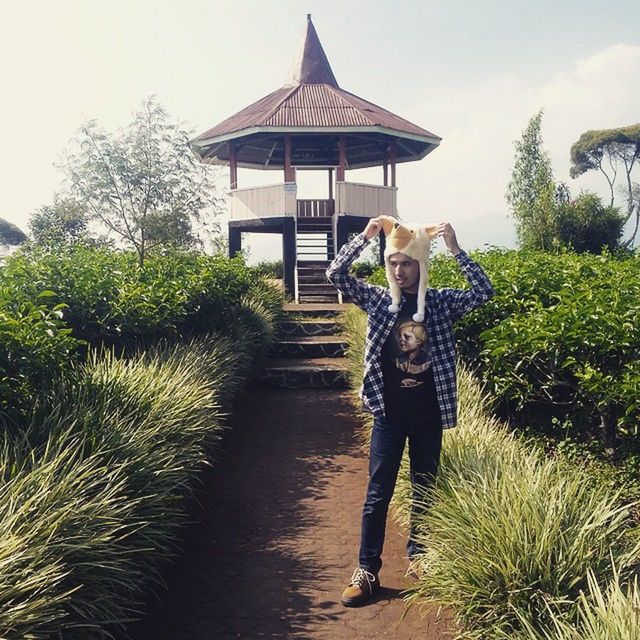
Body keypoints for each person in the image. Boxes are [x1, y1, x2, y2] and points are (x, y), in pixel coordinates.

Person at [325, 216, 494, 607]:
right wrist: (366, 238)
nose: (399, 270)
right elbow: (336, 272)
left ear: (421, 264)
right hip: (389, 414)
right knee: (377, 493)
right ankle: (367, 570)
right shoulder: (378, 300)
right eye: (394, 263)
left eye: (407, 263)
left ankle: (420, 558)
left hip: (429, 414)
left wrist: (455, 249)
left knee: (425, 489)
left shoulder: (440, 302)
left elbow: (484, 291)